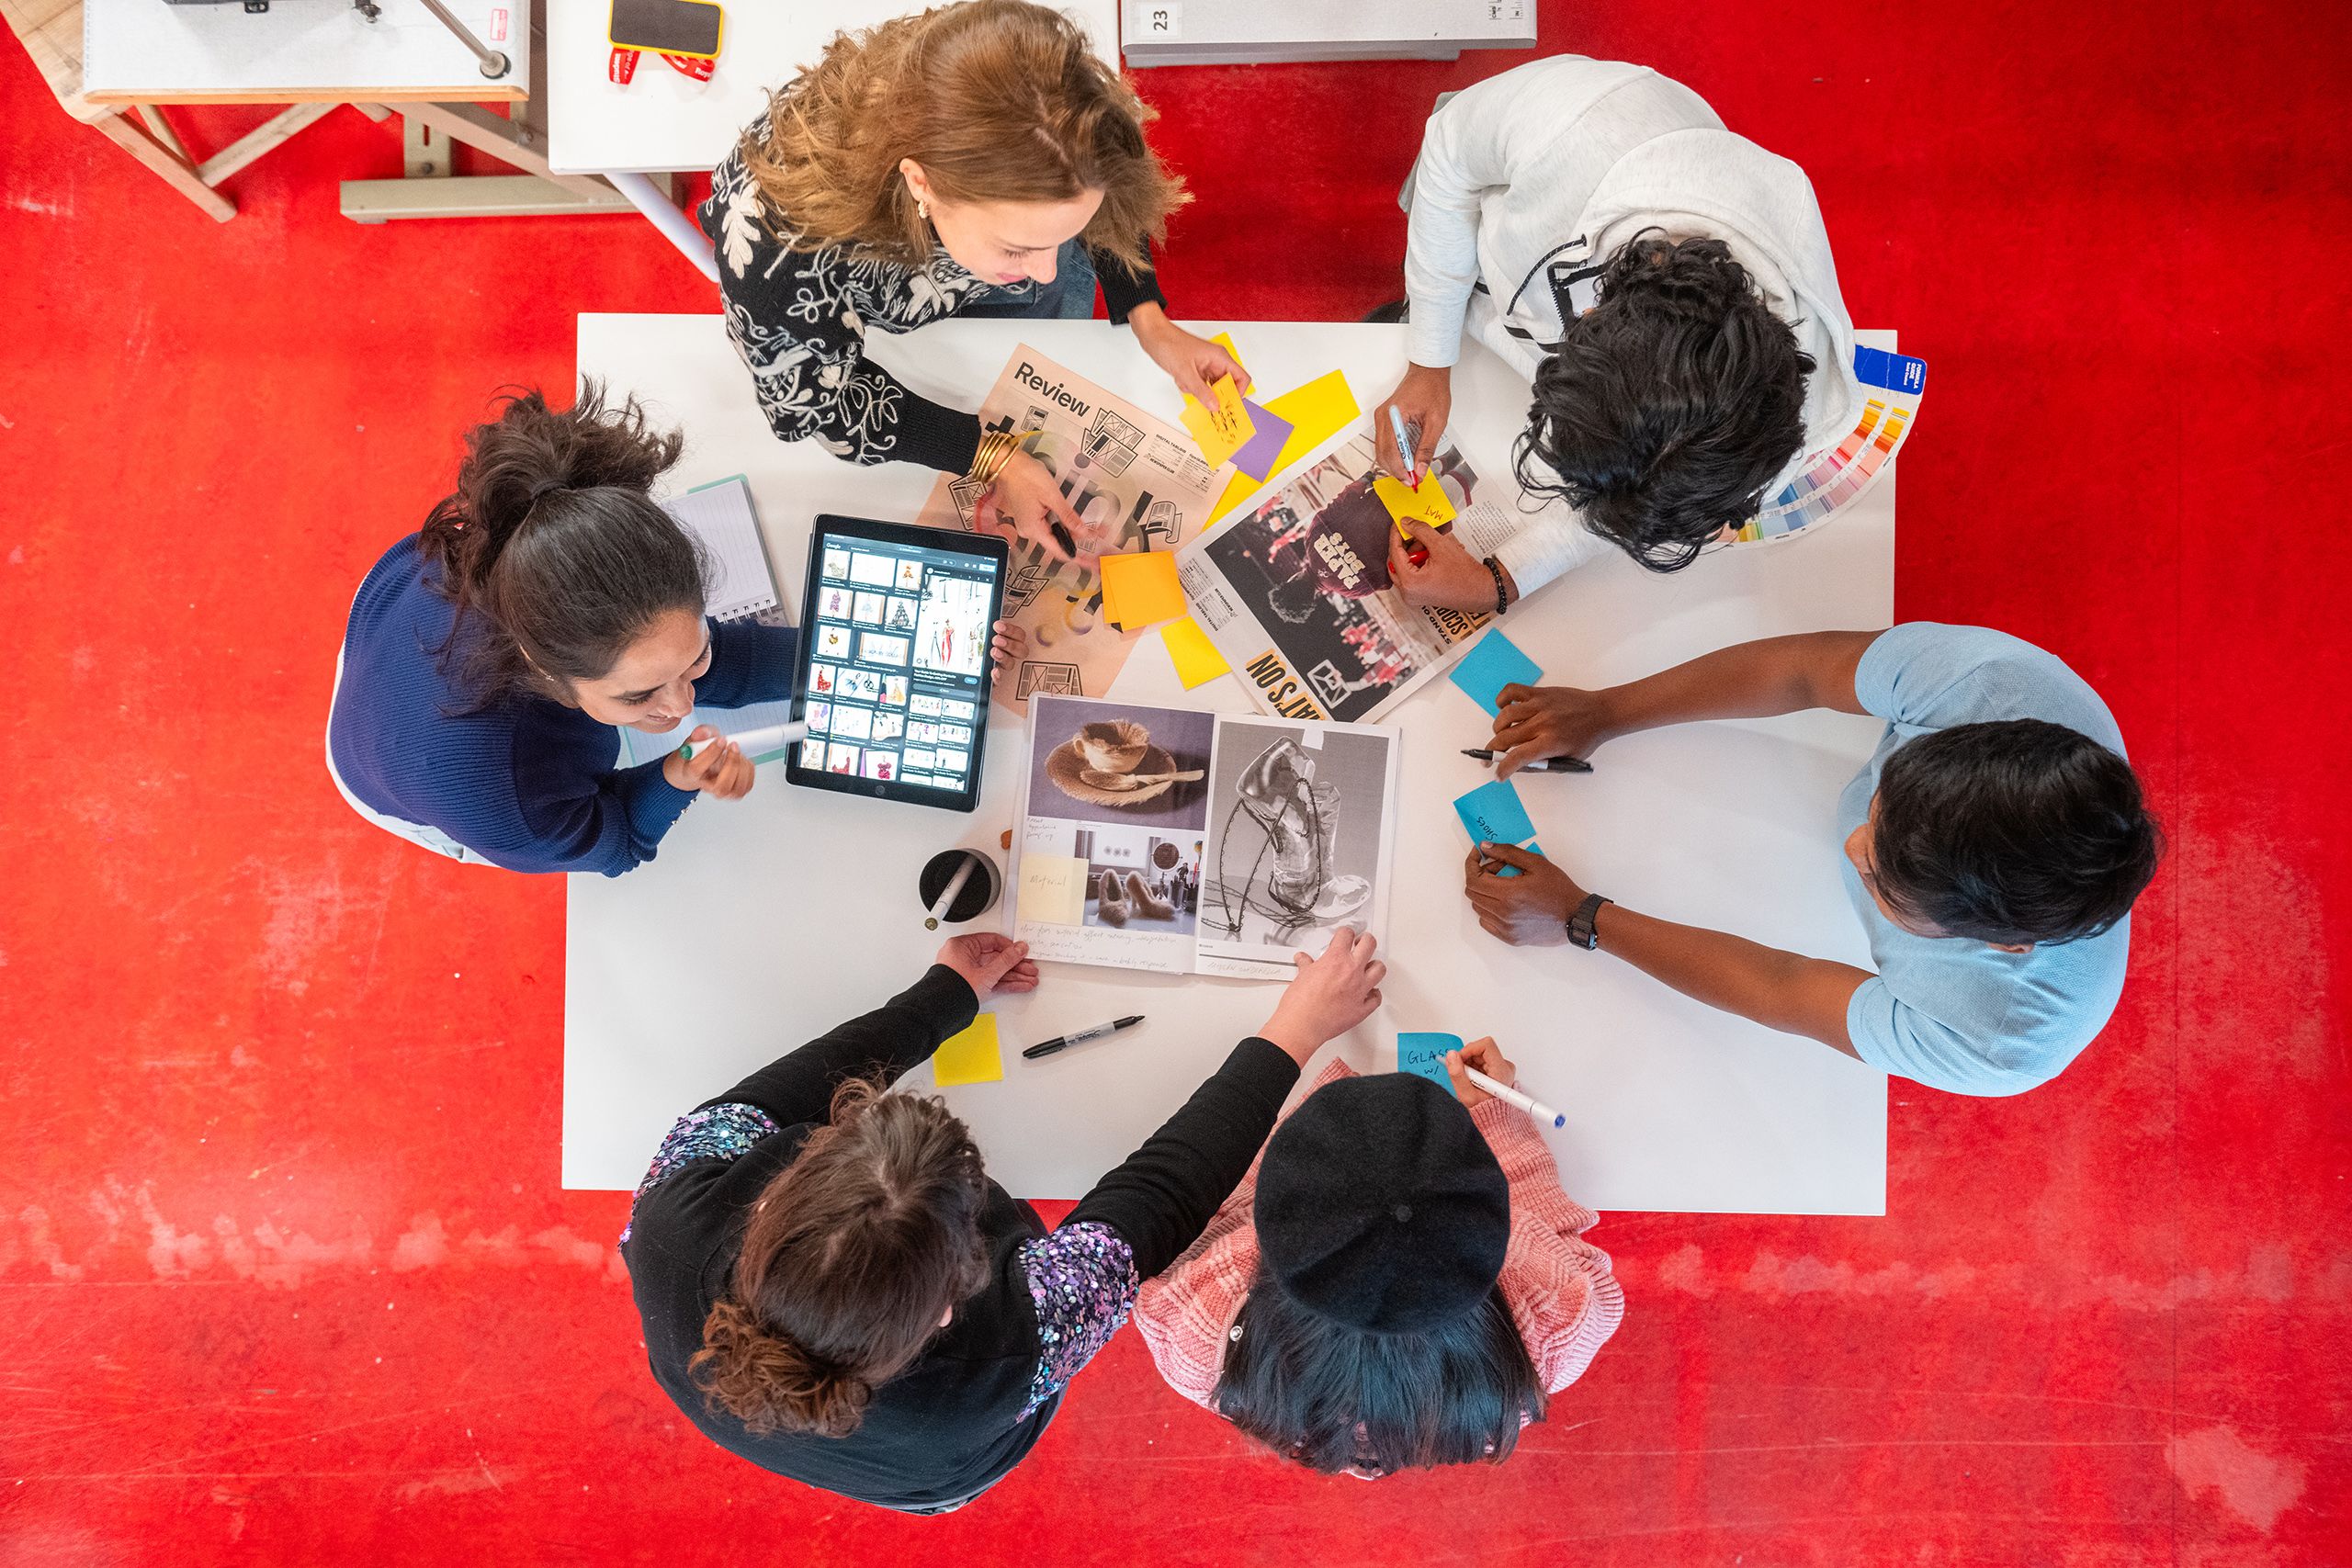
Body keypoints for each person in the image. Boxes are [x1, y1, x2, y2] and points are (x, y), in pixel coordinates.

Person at [621, 928, 1388, 1512]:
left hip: (738, 1408)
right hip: (944, 1462)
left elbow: (782, 1089)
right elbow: (1157, 1198)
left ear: (768, 1197)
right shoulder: (1014, 1354)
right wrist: (1299, 1026)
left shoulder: (668, 1213)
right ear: (954, 1302)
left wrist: (946, 994)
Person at [1463, 625, 2165, 1096]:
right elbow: (1801, 670)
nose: (1856, 839)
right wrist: (1607, 710)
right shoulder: (2001, 684)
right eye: (1886, 801)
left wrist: (1581, 915)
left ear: (2003, 943)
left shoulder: (2003, 1039)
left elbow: (1784, 984)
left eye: (1884, 880)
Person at [700, 0, 1246, 564]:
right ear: (921, 182)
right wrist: (992, 457)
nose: (1050, 272)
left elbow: (1099, 203)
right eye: (1017, 246)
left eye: (1064, 234)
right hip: (893, 324)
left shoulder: (1028, 97)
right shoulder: (777, 253)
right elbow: (822, 408)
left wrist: (1149, 320)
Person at [1373, 55, 1863, 612]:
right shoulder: (1575, 119)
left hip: (1511, 327)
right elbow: (1448, 152)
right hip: (1485, 258)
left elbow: (1637, 493)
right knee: (1398, 315)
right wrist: (1430, 361)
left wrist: (1500, 581)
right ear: (1583, 323)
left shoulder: (1770, 415)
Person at [324, 385, 790, 874]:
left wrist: (841, 660)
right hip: (383, 762)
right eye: (639, 696)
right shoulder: (509, 801)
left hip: (392, 611)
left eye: (694, 659)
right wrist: (675, 776)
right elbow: (617, 838)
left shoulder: (525, 543)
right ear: (546, 669)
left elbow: (656, 659)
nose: (683, 706)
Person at [1135, 1037, 1622, 1475]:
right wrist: (1496, 1117)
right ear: (1490, 1219)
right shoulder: (1555, 1321)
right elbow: (1564, 1245)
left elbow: (1196, 1226)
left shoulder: (1201, 1332)